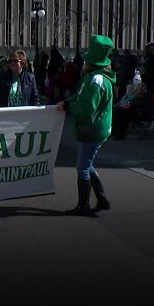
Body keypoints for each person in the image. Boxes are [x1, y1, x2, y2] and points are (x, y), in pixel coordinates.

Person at [56, 34, 116, 216]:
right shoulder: (97, 77)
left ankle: (84, 206)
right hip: (96, 129)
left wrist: (68, 106)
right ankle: (102, 199)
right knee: (87, 164)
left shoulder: (96, 80)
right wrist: (67, 102)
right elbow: (81, 96)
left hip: (92, 129)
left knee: (82, 167)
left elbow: (87, 106)